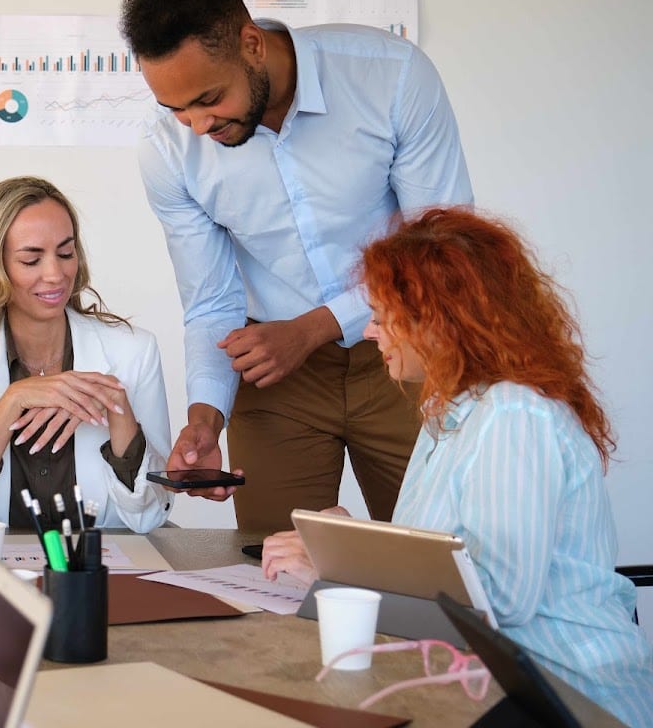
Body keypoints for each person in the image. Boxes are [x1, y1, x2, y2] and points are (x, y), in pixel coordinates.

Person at [119, 0, 474, 532]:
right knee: (270, 573)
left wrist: (312, 329)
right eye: (174, 108)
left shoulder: (391, 77)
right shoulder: (166, 152)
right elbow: (211, 303)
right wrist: (206, 418)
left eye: (208, 99)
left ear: (252, 45)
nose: (198, 127)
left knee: (437, 560)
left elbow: (442, 248)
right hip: (276, 377)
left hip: (409, 349)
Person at [261, 207, 653, 725]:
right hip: (489, 683)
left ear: (440, 322)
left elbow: (500, 603)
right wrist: (350, 544)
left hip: (564, 694)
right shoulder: (450, 412)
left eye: (381, 317)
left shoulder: (514, 413)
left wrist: (345, 565)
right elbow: (448, 559)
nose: (371, 334)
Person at [0, 176, 172, 535]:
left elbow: (151, 515)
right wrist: (12, 401)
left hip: (97, 575)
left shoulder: (133, 351)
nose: (56, 274)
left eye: (66, 253)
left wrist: (118, 412)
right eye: (31, 260)